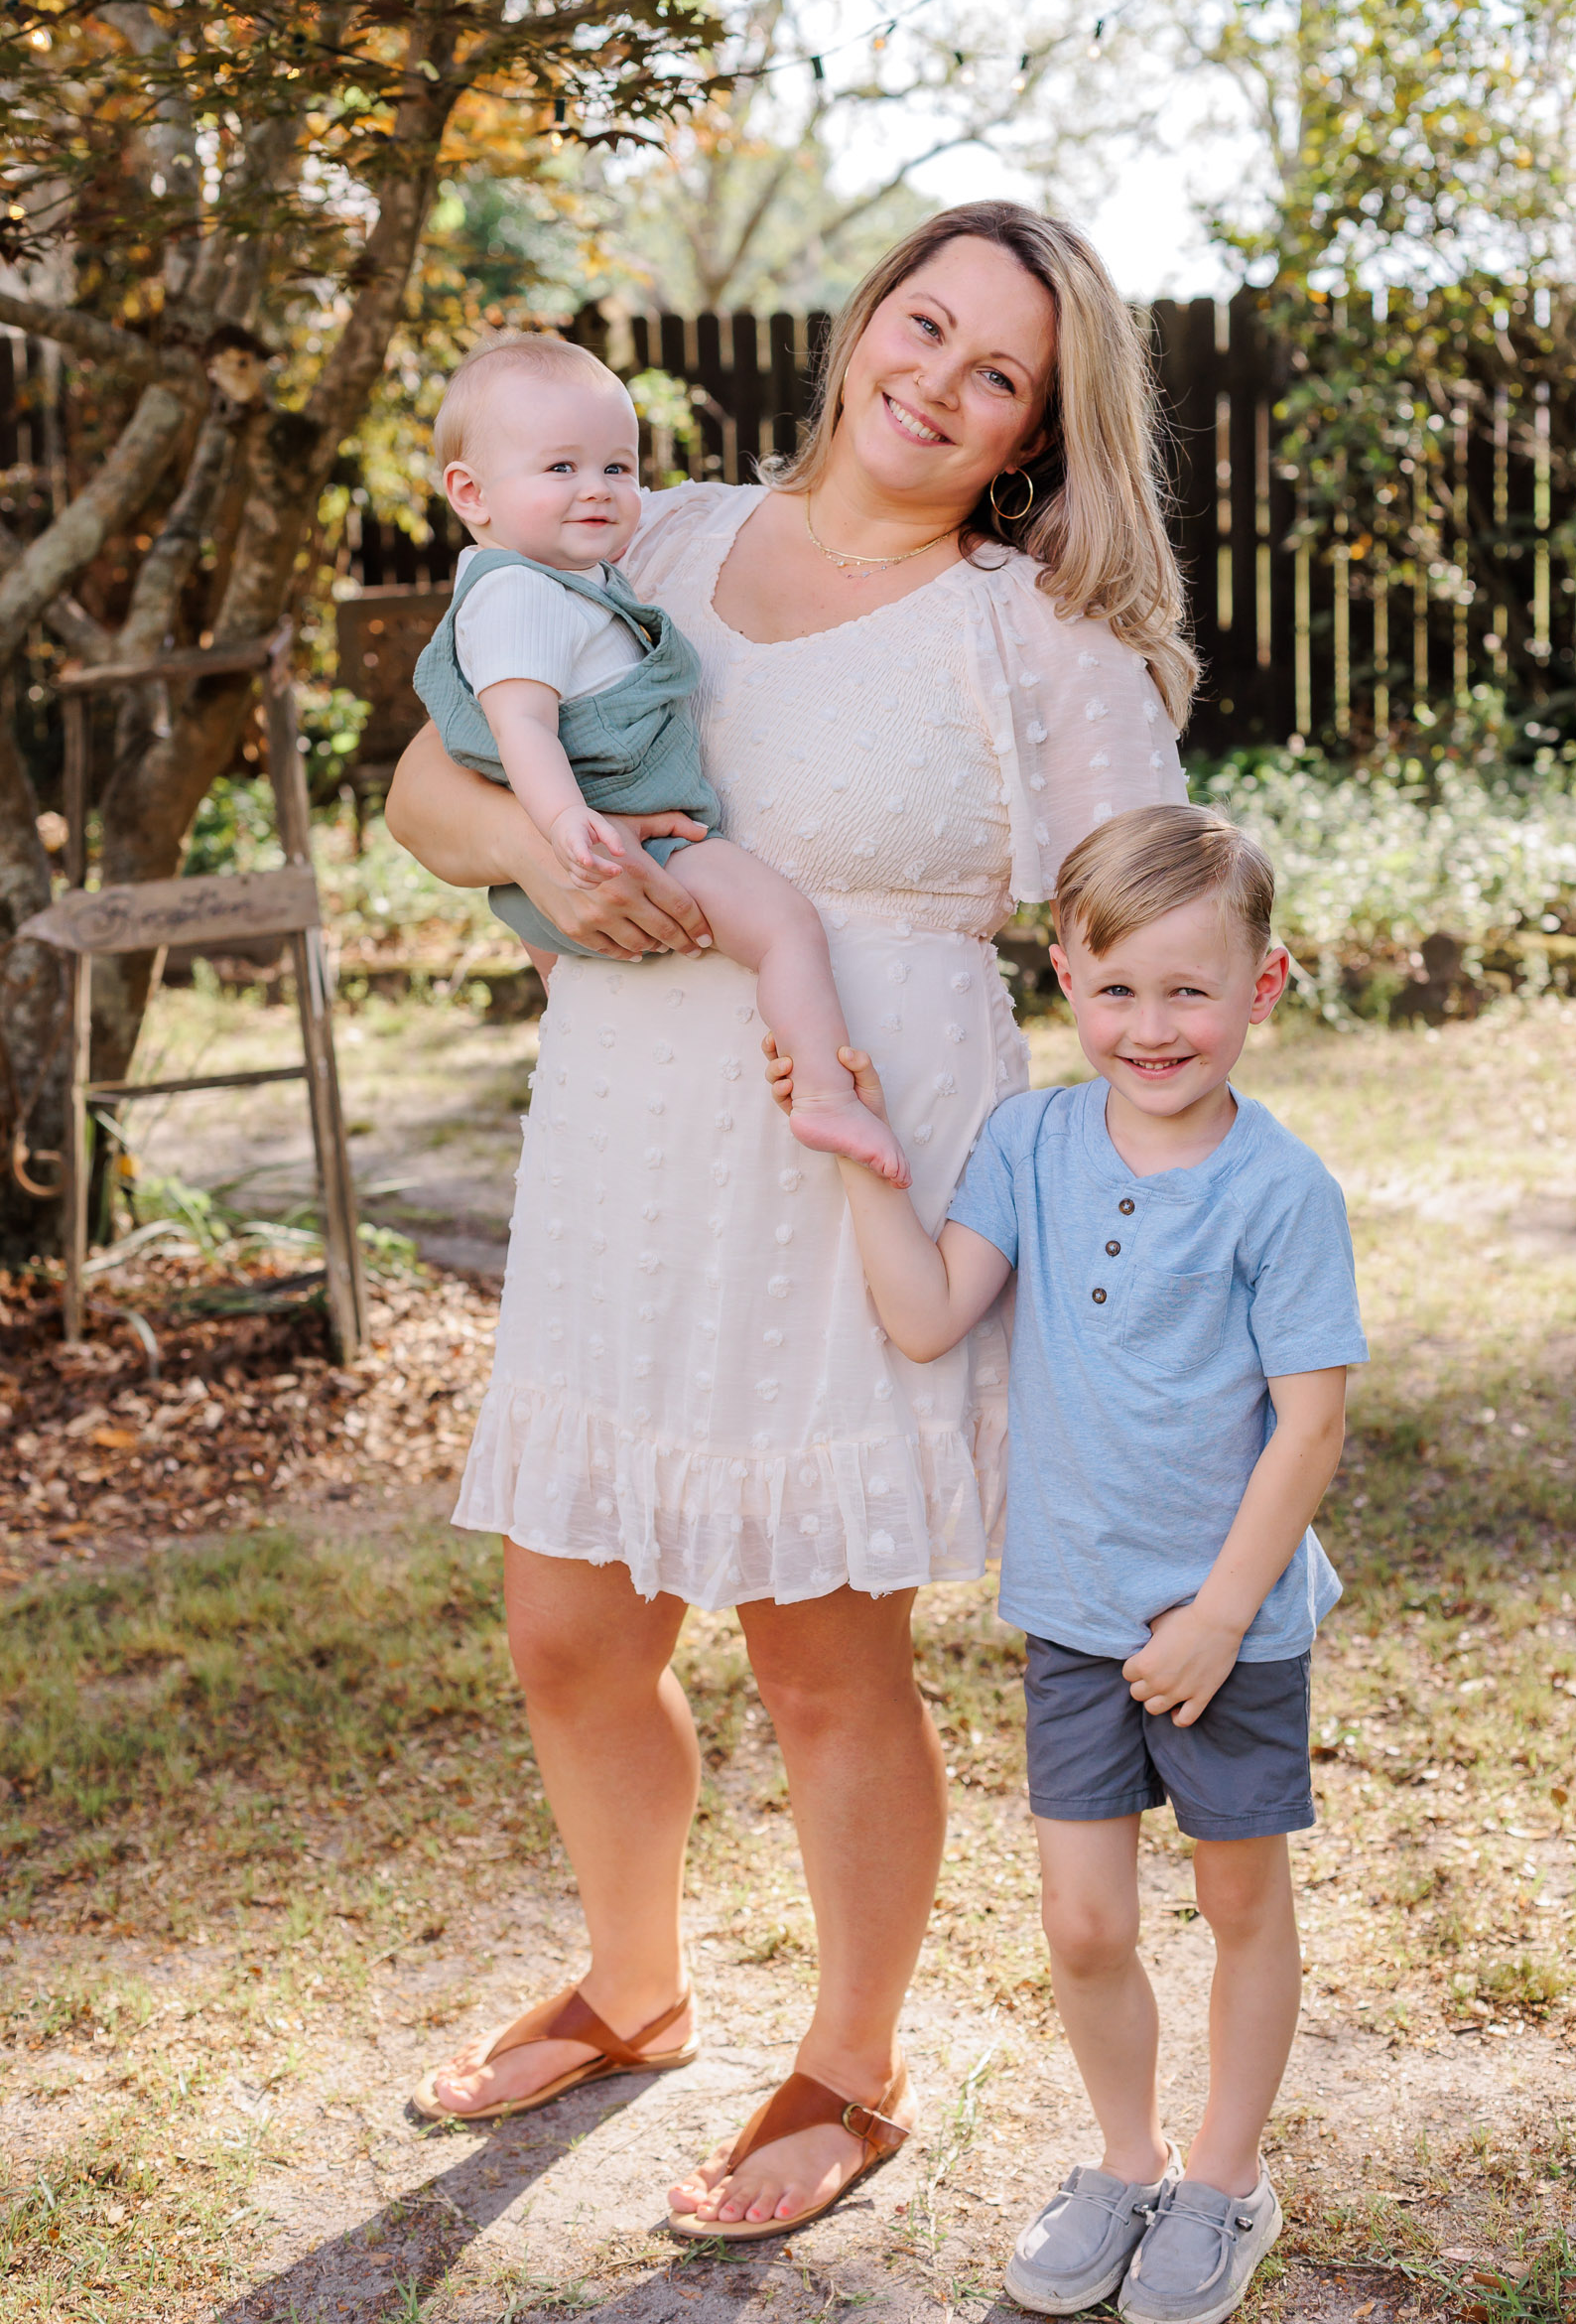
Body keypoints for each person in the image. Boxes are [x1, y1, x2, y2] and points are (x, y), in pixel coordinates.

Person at [383, 201, 1196, 2237]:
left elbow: (1153, 919)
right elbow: (423, 778)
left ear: (1028, 429)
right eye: (921, 325)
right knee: (568, 1624)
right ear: (863, 327)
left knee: (823, 1654)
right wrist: (544, 865)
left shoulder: (1039, 637)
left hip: (861, 1157)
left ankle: (851, 2058)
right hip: (624, 1138)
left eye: (992, 370)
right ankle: (633, 1986)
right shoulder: (646, 539)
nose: (935, 379)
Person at [798, 803, 1368, 2318]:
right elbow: (927, 1313)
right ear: (1064, 975)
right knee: (1085, 1921)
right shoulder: (1032, 1141)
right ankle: (1127, 2165)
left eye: (1191, 989)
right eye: (1118, 988)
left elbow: (1308, 1432)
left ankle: (1225, 2184)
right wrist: (864, 1159)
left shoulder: (1279, 1192)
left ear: (1265, 986)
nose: (1152, 1025)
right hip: (1072, 1613)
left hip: (1225, 1628)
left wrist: (1220, 1615)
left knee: (1241, 1906)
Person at [412, 332, 907, 1184]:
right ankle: (825, 1090)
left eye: (616, 466)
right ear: (471, 493)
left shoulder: (576, 581)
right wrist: (571, 828)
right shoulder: (517, 594)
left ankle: (585, 1089)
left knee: (582, 1027)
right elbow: (521, 729)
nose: (597, 490)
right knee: (783, 927)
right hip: (615, 854)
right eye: (559, 469)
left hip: (608, 835)